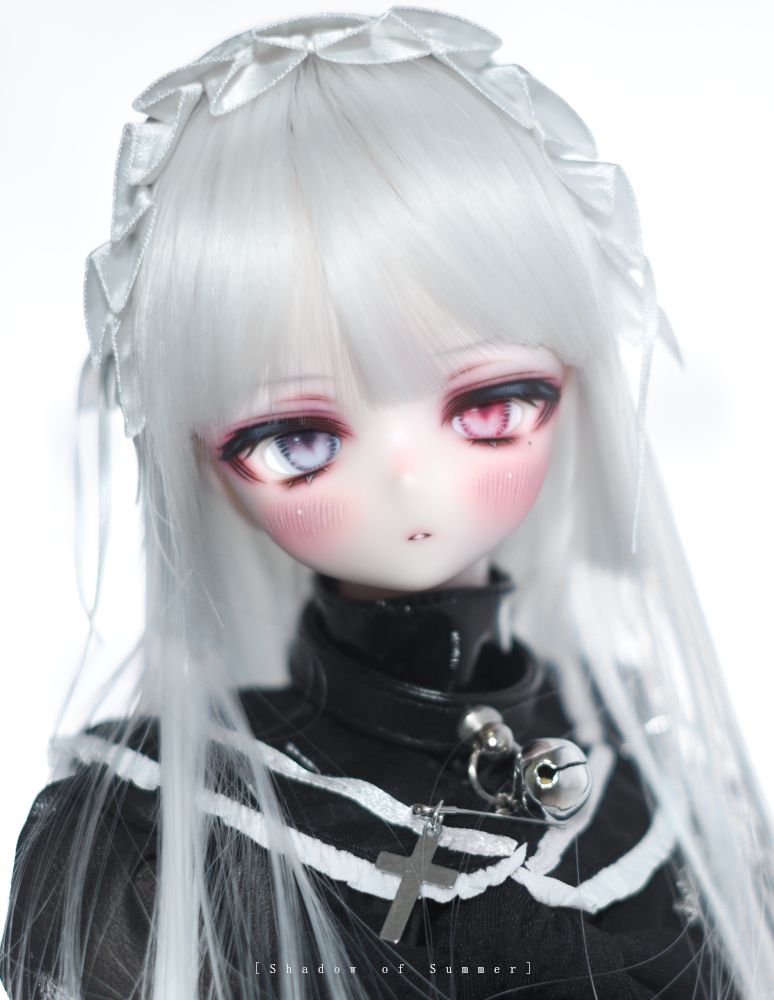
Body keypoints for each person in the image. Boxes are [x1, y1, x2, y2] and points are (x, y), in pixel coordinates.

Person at [1, 7, 771, 999]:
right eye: (300, 439)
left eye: (489, 405)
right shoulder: (150, 839)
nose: (408, 480)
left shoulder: (651, 775)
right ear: (204, 455)